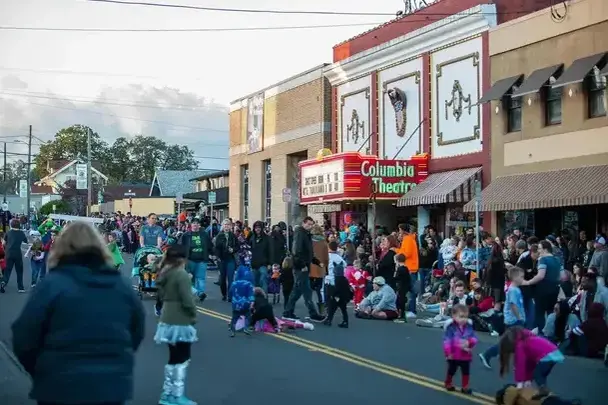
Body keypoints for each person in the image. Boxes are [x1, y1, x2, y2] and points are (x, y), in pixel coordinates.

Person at [11, 221, 145, 405]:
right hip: (111, 385)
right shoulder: (121, 286)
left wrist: (40, 369)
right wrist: (117, 360)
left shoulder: (52, 285)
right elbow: (136, 331)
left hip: (59, 382)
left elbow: (24, 336)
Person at [154, 244, 198, 405]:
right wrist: (193, 315)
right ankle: (177, 395)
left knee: (173, 357)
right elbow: (187, 300)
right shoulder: (181, 275)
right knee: (183, 358)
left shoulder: (164, 273)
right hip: (180, 318)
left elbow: (161, 294)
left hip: (166, 317)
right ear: (182, 259)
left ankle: (167, 393)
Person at [480, 266, 526, 369]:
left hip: (512, 320)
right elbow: (514, 305)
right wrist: (519, 318)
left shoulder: (514, 289)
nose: (523, 278)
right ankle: (487, 354)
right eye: (521, 277)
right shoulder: (514, 290)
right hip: (514, 321)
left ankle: (516, 363)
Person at [498, 326, 564, 395]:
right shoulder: (527, 341)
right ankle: (543, 392)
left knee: (537, 374)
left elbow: (520, 365)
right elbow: (530, 364)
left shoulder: (520, 346)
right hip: (554, 352)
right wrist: (528, 380)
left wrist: (519, 383)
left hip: (548, 355)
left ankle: (545, 392)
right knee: (541, 375)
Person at [283, 216, 324, 321]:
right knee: (307, 291)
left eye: (311, 225)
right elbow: (296, 251)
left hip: (303, 266)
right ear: (304, 223)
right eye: (308, 224)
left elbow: (308, 252)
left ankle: (288, 312)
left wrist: (317, 262)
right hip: (301, 267)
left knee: (297, 291)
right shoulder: (300, 233)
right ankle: (313, 313)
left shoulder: (305, 234)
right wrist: (302, 265)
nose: (310, 227)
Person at [443, 304, 478, 394]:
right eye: (461, 316)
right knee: (452, 370)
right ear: (454, 316)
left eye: (466, 317)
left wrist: (469, 342)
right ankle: (448, 382)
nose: (464, 319)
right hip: (454, 355)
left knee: (466, 372)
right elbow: (447, 341)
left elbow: (474, 338)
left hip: (465, 355)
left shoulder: (469, 327)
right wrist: (448, 352)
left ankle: (465, 387)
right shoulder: (451, 328)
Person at [180, 218, 212, 302]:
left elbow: (210, 245)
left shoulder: (204, 234)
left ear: (199, 225)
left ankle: (201, 293)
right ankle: (194, 293)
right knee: (191, 278)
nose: (195, 225)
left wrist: (213, 254)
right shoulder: (186, 235)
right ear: (191, 225)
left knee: (201, 278)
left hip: (202, 259)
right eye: (193, 223)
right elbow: (180, 246)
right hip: (190, 259)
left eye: (197, 223)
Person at [323, 240, 351, 328]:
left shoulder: (327, 257)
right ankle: (345, 321)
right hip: (340, 286)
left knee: (330, 303)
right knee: (342, 307)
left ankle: (328, 318)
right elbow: (345, 265)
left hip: (329, 281)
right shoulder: (340, 259)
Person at [1, 218, 28, 293]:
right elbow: (26, 242)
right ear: (19, 225)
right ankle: (20, 288)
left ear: (11, 224)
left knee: (7, 270)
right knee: (19, 271)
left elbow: (3, 243)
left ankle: (4, 282)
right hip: (17, 254)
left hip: (8, 253)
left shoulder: (8, 232)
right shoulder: (21, 233)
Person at [215, 219, 238, 302]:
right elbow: (216, 248)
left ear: (230, 226)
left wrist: (233, 250)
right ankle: (224, 294)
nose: (226, 226)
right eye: (225, 225)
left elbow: (237, 246)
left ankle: (230, 295)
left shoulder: (233, 235)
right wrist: (217, 257)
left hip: (230, 259)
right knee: (223, 278)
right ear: (222, 226)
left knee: (231, 278)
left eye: (228, 225)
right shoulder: (219, 235)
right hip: (222, 259)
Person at [229, 264, 255, 337]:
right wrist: (252, 302)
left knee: (234, 318)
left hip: (236, 304)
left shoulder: (234, 283)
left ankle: (232, 330)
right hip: (245, 304)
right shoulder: (249, 284)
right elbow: (250, 295)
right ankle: (246, 327)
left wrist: (231, 299)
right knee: (247, 316)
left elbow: (230, 292)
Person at [250, 220, 271, 293]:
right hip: (254, 263)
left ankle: (264, 297)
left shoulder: (267, 238)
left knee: (263, 280)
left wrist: (269, 264)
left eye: (259, 227)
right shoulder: (252, 238)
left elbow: (271, 251)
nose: (257, 229)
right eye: (256, 228)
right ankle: (255, 299)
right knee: (255, 282)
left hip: (263, 264)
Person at [393, 253, 412, 324]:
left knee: (400, 302)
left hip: (401, 287)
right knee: (402, 301)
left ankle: (401, 316)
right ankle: (402, 315)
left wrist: (395, 270)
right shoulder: (406, 268)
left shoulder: (400, 269)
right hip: (405, 287)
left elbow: (396, 278)